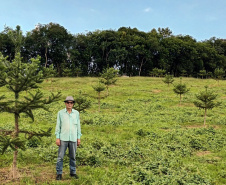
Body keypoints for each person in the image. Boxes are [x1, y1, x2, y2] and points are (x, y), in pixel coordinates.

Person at [55, 96, 82, 180]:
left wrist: (78, 137)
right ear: (65, 103)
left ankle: (73, 172)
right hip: (63, 138)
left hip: (73, 138)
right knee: (60, 157)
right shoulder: (60, 113)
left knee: (73, 156)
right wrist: (57, 137)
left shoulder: (76, 113)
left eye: (71, 103)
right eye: (68, 102)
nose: (69, 104)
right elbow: (58, 126)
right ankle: (59, 173)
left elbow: (78, 126)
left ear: (73, 104)